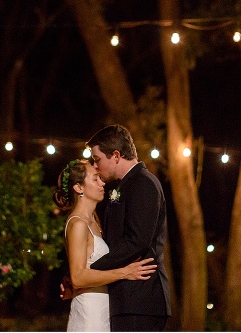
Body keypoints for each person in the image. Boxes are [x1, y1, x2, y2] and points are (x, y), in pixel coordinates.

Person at [54, 159, 158, 332]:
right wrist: (125, 272)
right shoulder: (78, 224)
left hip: (103, 308)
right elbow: (78, 277)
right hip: (89, 314)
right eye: (95, 179)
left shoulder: (94, 220)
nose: (102, 183)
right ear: (79, 188)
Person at [85, 124, 171, 331]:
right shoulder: (125, 185)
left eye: (97, 160)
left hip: (141, 298)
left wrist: (88, 271)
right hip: (128, 298)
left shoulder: (143, 183)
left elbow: (137, 241)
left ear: (116, 155)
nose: (95, 166)